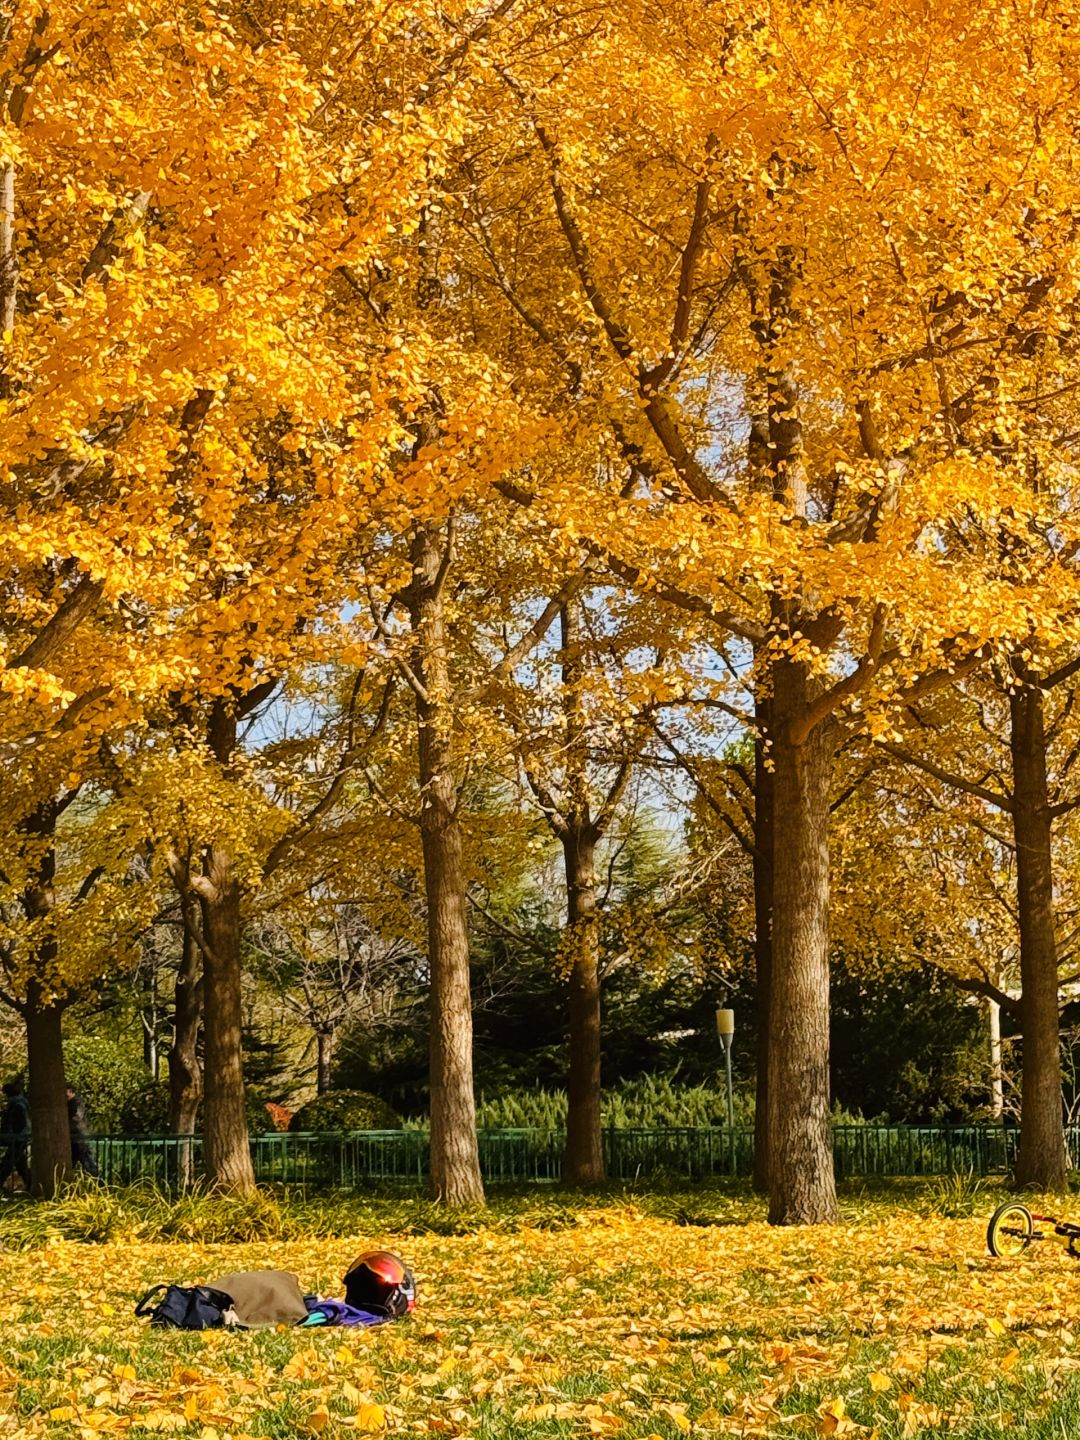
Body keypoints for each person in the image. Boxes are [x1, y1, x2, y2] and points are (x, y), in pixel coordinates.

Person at [0, 1080, 30, 1192]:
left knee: (8, 1162)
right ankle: (30, 1182)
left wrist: (11, 1135)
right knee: (19, 1163)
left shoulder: (17, 1105)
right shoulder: (21, 1102)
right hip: (20, 1137)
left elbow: (19, 1123)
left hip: (17, 1138)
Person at [66, 1086, 98, 1177]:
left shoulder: (77, 1103)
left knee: (88, 1163)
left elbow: (78, 1118)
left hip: (80, 1138)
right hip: (73, 1139)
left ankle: (96, 1183)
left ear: (70, 1091)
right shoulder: (69, 1103)